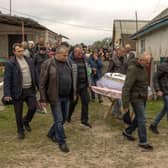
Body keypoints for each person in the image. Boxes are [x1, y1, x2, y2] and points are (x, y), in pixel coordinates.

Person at [39, 45, 73, 153]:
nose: (66, 57)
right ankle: (61, 141)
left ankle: (51, 133)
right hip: (55, 97)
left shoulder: (68, 62)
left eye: (67, 55)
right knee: (58, 120)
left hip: (66, 96)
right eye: (64, 55)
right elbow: (42, 83)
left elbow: (71, 77)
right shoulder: (48, 64)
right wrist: (43, 99)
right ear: (57, 54)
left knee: (64, 118)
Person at [3, 43, 38, 139]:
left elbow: (34, 74)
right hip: (17, 91)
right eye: (19, 51)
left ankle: (26, 121)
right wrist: (7, 93)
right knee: (18, 113)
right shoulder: (10, 63)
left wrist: (39, 86)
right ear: (14, 52)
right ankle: (20, 131)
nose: (21, 53)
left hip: (30, 90)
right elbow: (7, 79)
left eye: (22, 50)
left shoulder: (29, 60)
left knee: (33, 107)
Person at [122, 52, 153, 150]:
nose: (148, 65)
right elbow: (126, 88)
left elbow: (143, 83)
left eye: (149, 63)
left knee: (138, 118)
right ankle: (143, 142)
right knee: (142, 119)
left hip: (142, 96)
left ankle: (127, 131)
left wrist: (148, 94)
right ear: (141, 60)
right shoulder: (133, 69)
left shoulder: (143, 67)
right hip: (135, 98)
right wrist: (125, 105)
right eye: (147, 63)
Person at [67, 46, 92, 128]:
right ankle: (68, 116)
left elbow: (88, 71)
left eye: (81, 53)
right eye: (79, 53)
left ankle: (84, 121)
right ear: (74, 52)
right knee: (73, 102)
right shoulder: (69, 60)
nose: (81, 54)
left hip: (84, 85)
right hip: (75, 85)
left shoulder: (84, 59)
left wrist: (89, 83)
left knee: (86, 102)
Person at [149, 58, 168, 134]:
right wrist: (157, 90)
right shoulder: (163, 66)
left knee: (165, 110)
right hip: (165, 91)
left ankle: (153, 125)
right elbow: (155, 78)